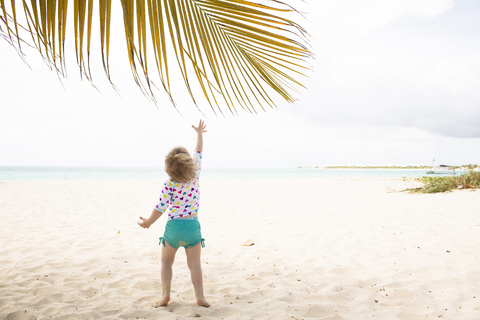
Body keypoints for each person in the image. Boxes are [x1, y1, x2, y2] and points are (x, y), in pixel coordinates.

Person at [138, 120, 210, 308]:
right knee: (195, 264)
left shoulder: (169, 184)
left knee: (166, 262)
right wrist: (199, 134)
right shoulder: (195, 175)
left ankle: (165, 295)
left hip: (173, 228)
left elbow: (160, 208)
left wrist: (148, 222)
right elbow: (199, 151)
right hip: (193, 226)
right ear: (188, 163)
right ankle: (200, 296)